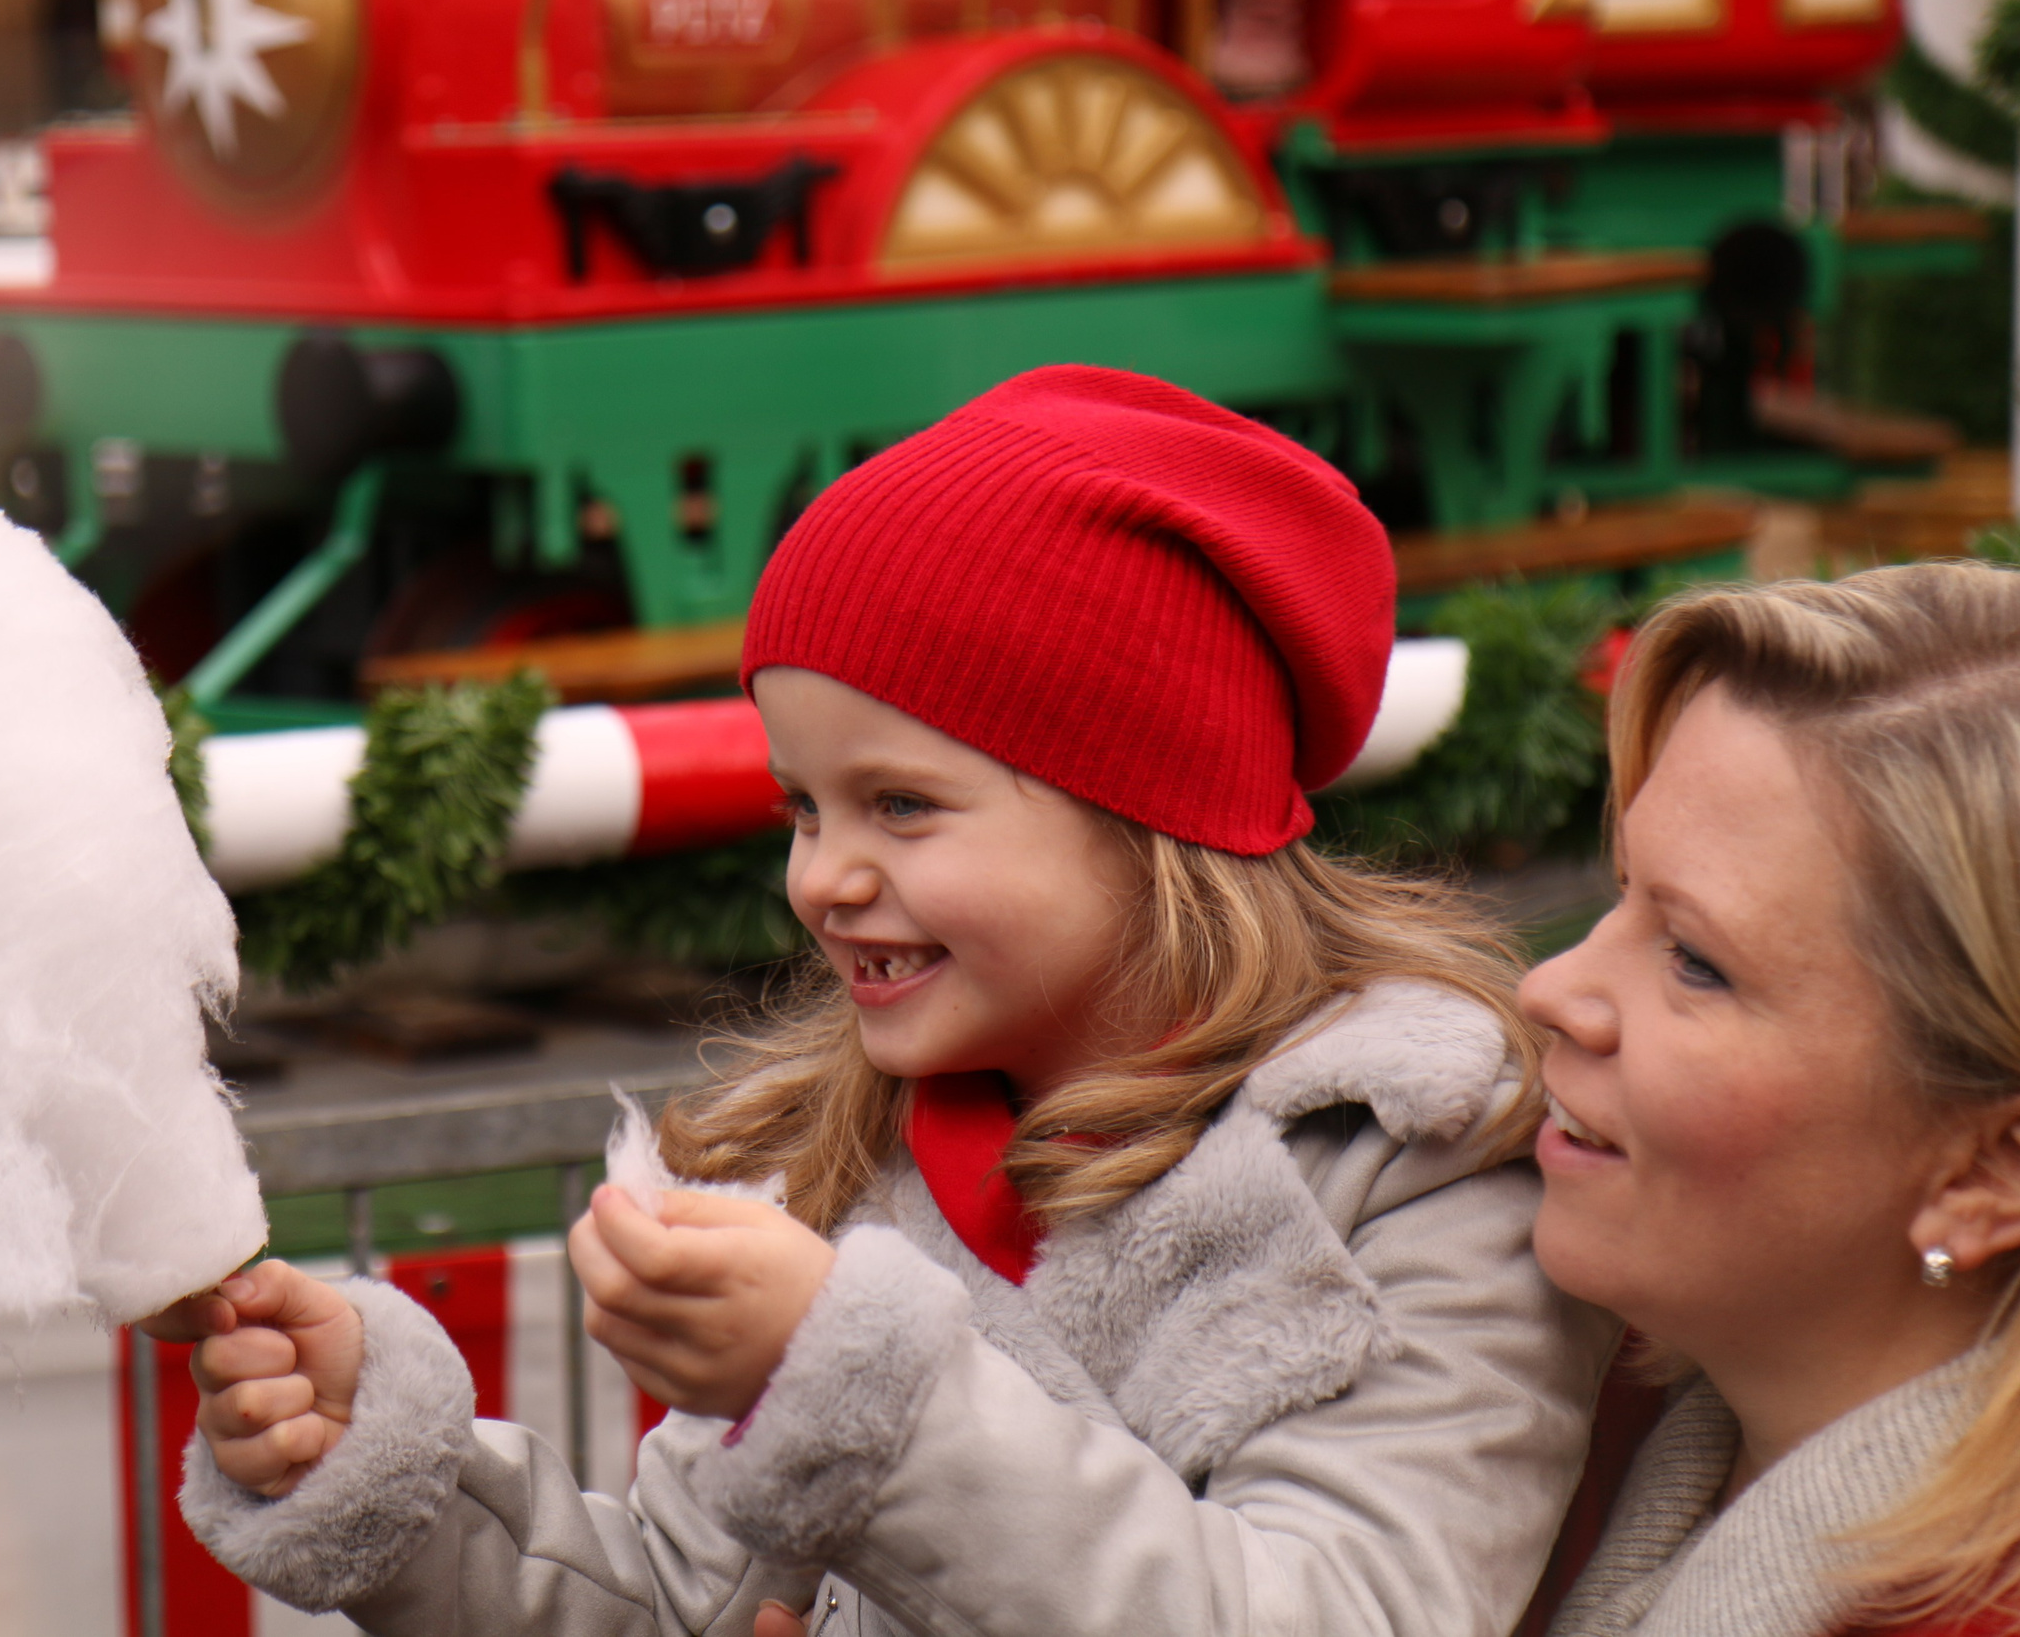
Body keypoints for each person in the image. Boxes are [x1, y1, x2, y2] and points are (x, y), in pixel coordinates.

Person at [146, 366, 1611, 1637]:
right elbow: (682, 1601)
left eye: (902, 805)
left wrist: (861, 1391)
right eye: (804, 806)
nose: (820, 879)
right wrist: (397, 1482)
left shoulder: (1412, 1163)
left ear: (1150, 810)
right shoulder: (841, 1174)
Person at [1529, 567, 2020, 1637]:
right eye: (1620, 892)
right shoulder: (1554, 1373)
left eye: (1695, 962)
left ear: (1988, 1172)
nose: (1549, 989)